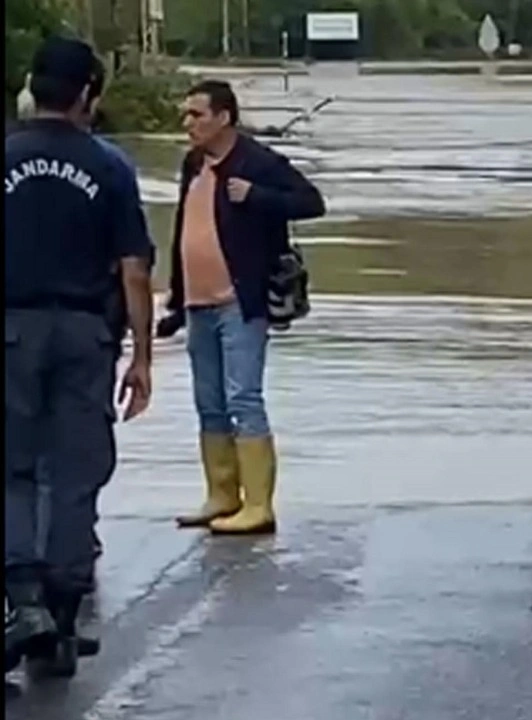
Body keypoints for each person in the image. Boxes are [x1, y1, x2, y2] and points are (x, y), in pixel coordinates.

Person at [5, 36, 154, 678]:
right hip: (86, 336)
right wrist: (143, 357)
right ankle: (62, 614)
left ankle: (23, 599)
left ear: (32, 88)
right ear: (88, 94)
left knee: (11, 470)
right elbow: (135, 270)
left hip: (10, 331)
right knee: (74, 471)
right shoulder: (111, 167)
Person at [157, 80, 325, 535]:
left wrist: (256, 196)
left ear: (224, 117)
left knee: (243, 398)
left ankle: (259, 506)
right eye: (186, 114)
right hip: (197, 302)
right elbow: (184, 231)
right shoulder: (193, 163)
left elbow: (312, 203)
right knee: (208, 402)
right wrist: (174, 297)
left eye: (196, 114)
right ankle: (222, 495)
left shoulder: (258, 162)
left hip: (241, 301)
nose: (187, 122)